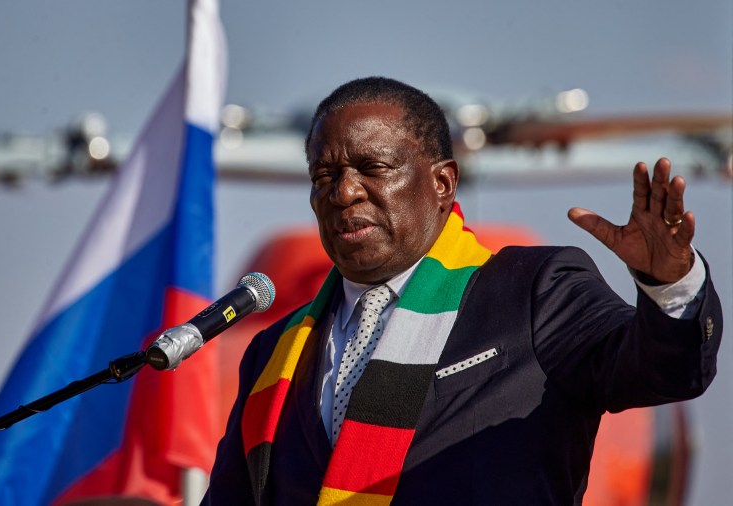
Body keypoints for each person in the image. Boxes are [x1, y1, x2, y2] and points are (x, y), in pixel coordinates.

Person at [200, 77, 722, 505]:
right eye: (324, 175)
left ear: (443, 184)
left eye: (373, 168)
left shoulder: (535, 291)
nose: (345, 191)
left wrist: (669, 285)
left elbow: (664, 370)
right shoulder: (272, 353)